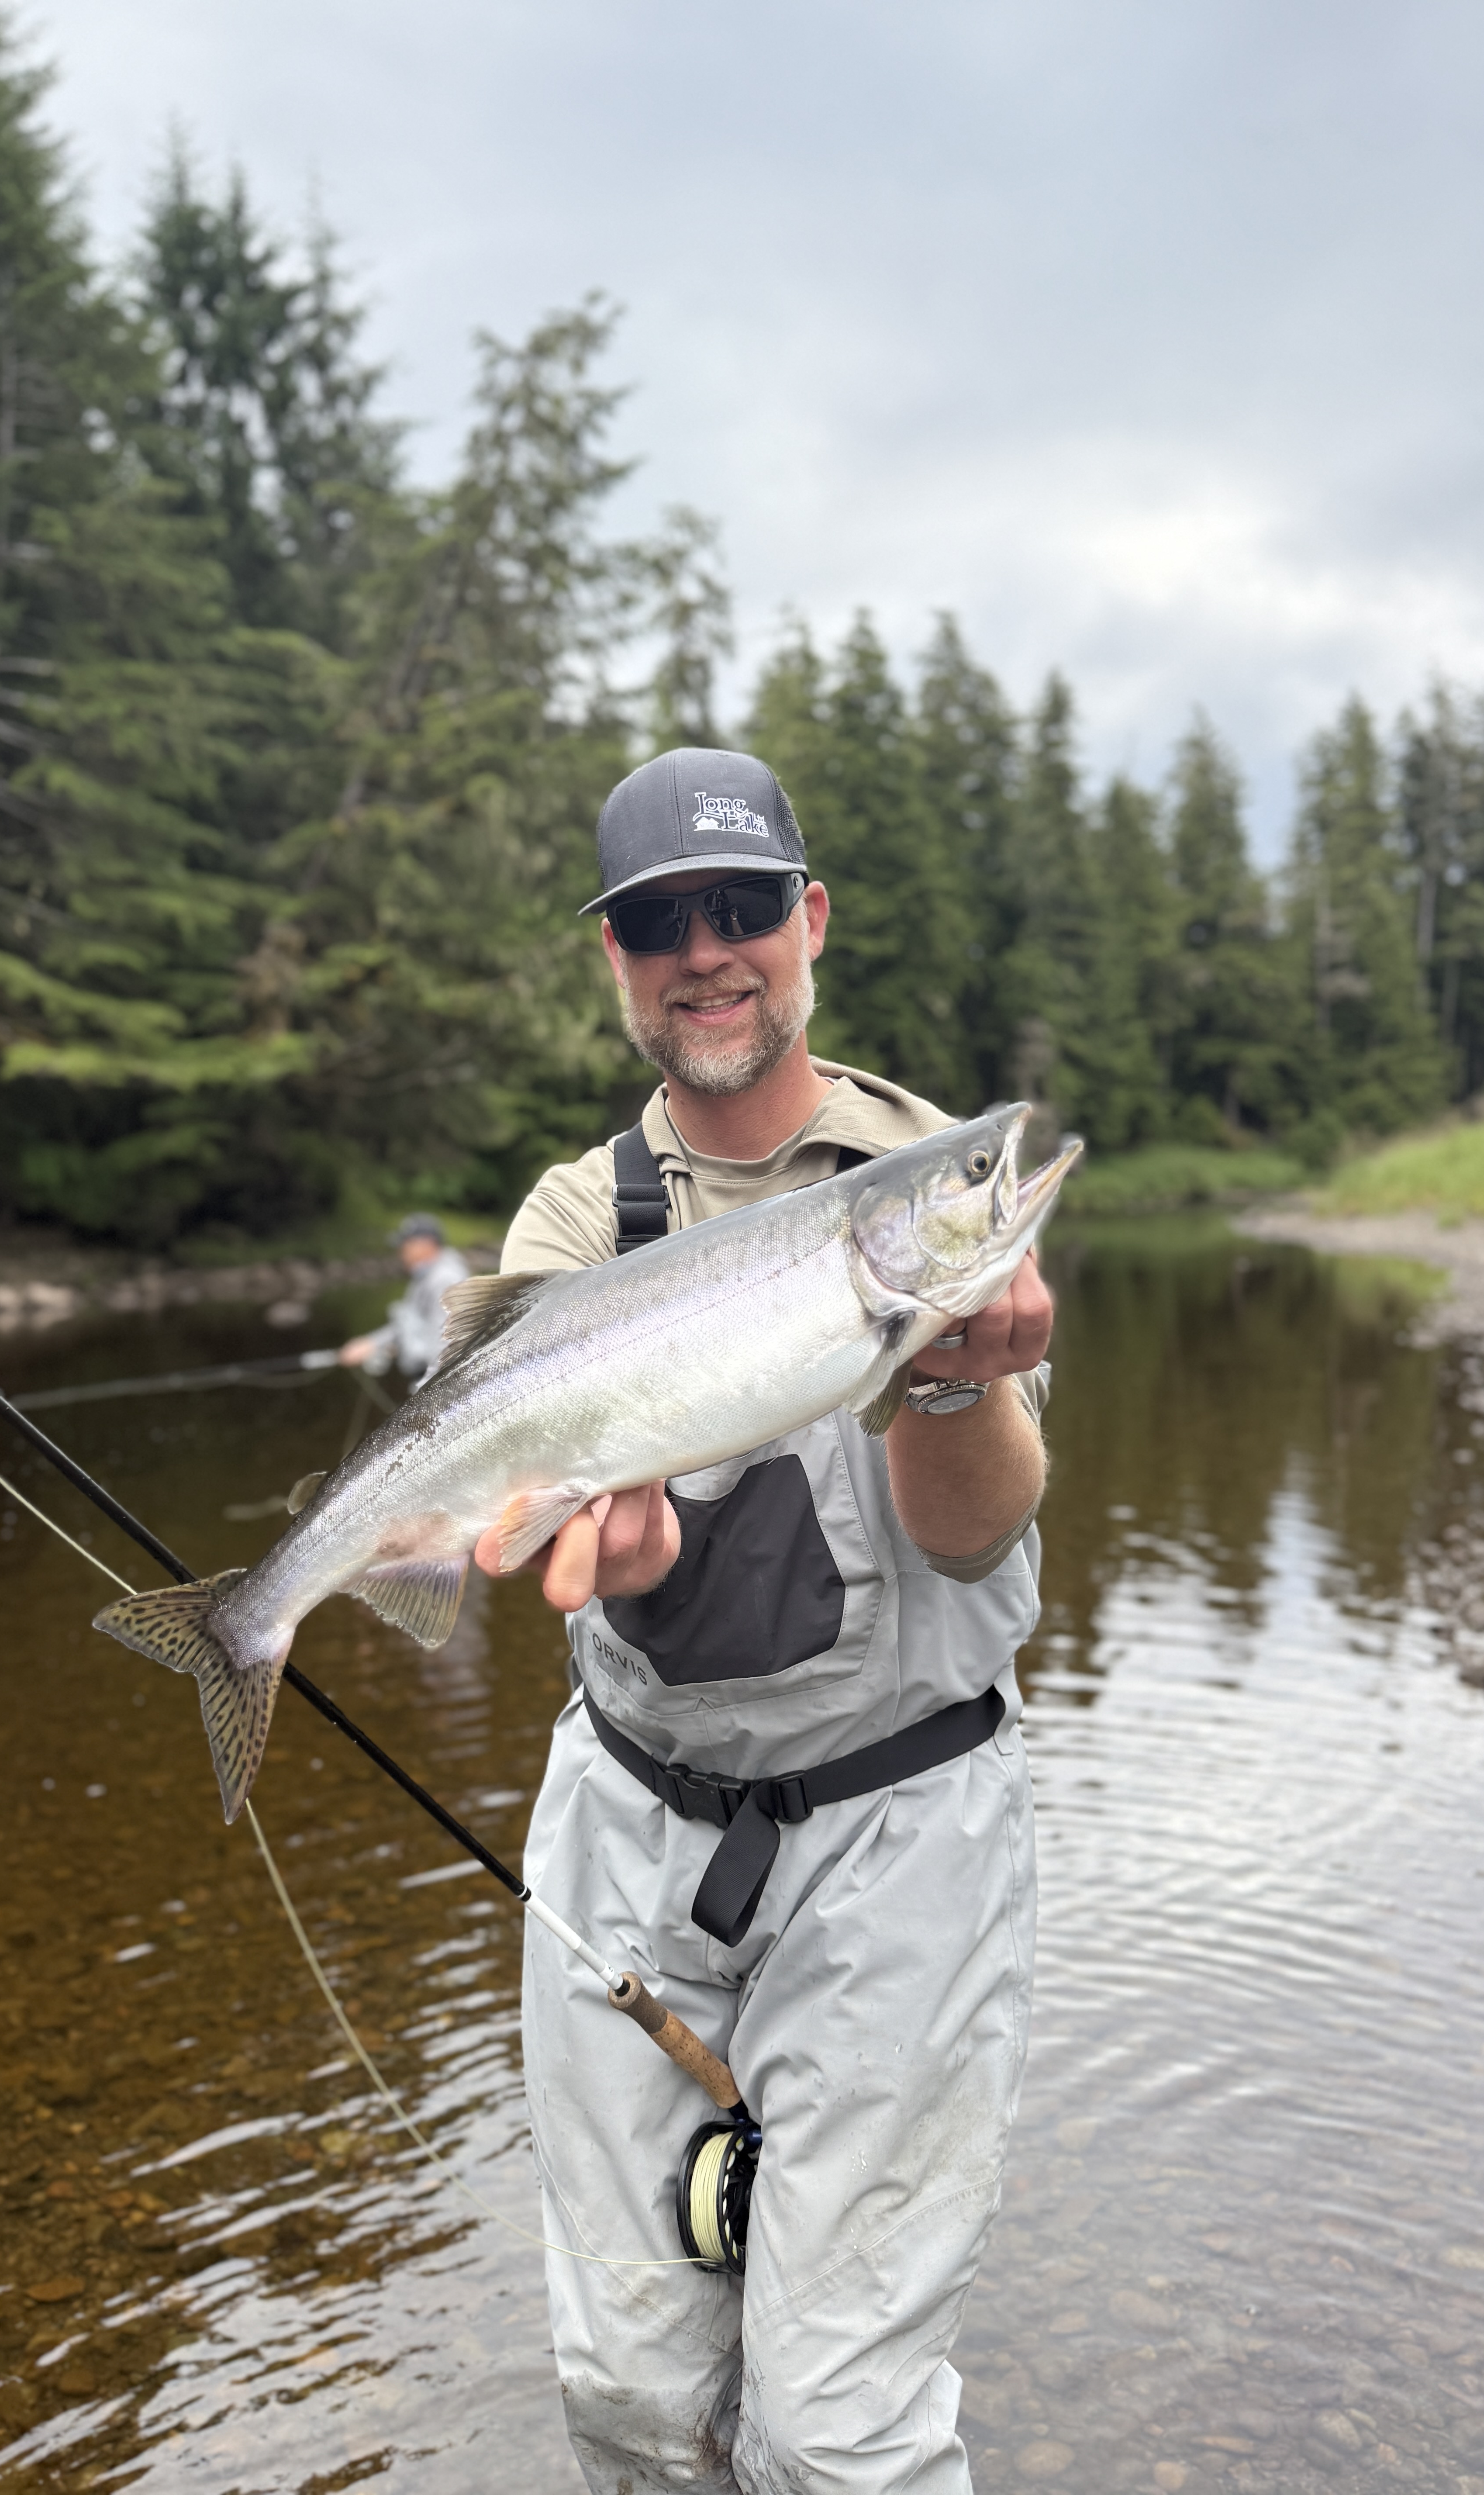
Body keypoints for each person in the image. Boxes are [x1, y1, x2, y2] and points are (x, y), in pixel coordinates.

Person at [476, 746, 1055, 2495]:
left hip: (899, 1832)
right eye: (661, 922)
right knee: (632, 2400)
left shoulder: (921, 1182)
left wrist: (949, 1384)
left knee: (835, 2431)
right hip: (635, 1830)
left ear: (810, 919)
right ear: (616, 956)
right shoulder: (578, 1218)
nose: (705, 951)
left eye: (739, 907)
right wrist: (628, 1553)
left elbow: (974, 1537)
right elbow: (597, 1552)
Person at [335, 1216, 472, 1387]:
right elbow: (409, 1324)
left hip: (442, 1385)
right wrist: (372, 1344)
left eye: (406, 1244)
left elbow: (448, 1343)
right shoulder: (425, 1276)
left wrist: (428, 1391)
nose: (400, 1251)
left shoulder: (445, 1279)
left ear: (427, 1243)